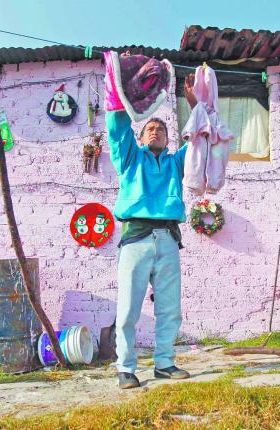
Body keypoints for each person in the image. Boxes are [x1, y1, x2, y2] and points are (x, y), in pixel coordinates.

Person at [106, 70, 199, 389]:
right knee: (129, 307)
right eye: (150, 128)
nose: (156, 131)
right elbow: (118, 130)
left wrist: (195, 108)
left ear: (168, 139)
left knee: (170, 307)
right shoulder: (131, 159)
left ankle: (164, 363)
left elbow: (199, 140)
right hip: (136, 238)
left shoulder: (175, 162)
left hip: (169, 239)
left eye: (161, 129)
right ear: (142, 137)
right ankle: (125, 368)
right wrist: (119, 91)